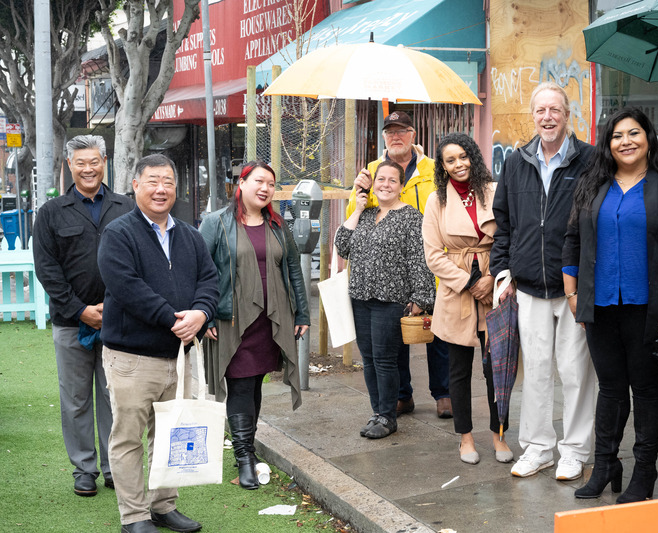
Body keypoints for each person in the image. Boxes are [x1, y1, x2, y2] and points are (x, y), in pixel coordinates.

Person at [562, 108, 658, 503]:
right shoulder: (593, 186)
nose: (625, 141)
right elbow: (572, 240)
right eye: (616, 135)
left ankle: (644, 472)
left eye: (634, 133)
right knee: (609, 389)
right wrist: (573, 295)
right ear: (607, 144)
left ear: (649, 138)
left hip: (651, 308)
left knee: (645, 389)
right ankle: (606, 465)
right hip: (600, 304)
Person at [98, 154, 219, 533]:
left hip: (179, 357)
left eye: (167, 181)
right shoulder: (118, 234)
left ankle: (164, 506)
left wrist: (200, 313)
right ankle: (134, 516)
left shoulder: (190, 234)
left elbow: (210, 280)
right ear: (135, 185)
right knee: (129, 437)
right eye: (152, 181)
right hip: (132, 357)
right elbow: (127, 287)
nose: (161, 189)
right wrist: (174, 320)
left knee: (173, 433)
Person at [489, 82, 596, 481]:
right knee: (533, 370)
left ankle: (574, 449)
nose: (547, 117)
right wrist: (503, 272)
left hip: (573, 287)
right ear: (532, 116)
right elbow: (505, 223)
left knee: (574, 371)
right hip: (528, 284)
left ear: (568, 115)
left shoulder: (590, 159)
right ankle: (538, 447)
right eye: (540, 111)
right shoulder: (517, 161)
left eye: (555, 110)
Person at [33, 135, 134, 497]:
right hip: (70, 323)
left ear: (104, 162)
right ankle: (84, 469)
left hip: (120, 321)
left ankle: (113, 467)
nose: (88, 168)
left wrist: (113, 306)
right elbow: (47, 269)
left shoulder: (127, 207)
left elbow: (136, 262)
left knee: (115, 396)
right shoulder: (51, 213)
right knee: (75, 399)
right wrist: (80, 310)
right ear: (69, 165)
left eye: (94, 161)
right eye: (80, 162)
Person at [199, 161, 310, 490]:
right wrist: (203, 313)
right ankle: (245, 458)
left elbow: (293, 271)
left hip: (269, 319)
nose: (265, 188)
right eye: (259, 181)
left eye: (271, 184)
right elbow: (200, 271)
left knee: (255, 383)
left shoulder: (277, 225)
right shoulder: (216, 223)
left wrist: (302, 314)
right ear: (241, 183)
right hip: (231, 319)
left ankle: (246, 449)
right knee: (241, 385)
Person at [347, 111, 452, 419]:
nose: (395, 137)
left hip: (432, 263)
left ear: (413, 134)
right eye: (389, 132)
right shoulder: (372, 170)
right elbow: (357, 217)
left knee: (438, 331)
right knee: (393, 338)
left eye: (401, 131)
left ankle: (443, 393)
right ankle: (402, 395)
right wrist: (360, 192)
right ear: (383, 138)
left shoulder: (434, 170)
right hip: (390, 273)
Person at [422, 132, 513, 465]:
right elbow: (433, 255)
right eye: (450, 160)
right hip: (456, 290)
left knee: (497, 369)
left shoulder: (493, 191)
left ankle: (498, 435)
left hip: (495, 284)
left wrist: (492, 278)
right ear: (443, 167)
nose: (458, 164)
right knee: (458, 370)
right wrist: (468, 282)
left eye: (463, 156)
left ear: (473, 157)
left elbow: (510, 238)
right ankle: (465, 438)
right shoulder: (437, 200)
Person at [336, 160, 436, 439]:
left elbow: (421, 260)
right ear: (373, 184)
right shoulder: (365, 215)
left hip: (392, 301)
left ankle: (388, 416)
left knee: (384, 359)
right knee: (368, 359)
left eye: (392, 180)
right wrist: (357, 207)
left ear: (401, 187)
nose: (386, 185)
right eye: (381, 179)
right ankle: (377, 412)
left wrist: (421, 298)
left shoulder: (412, 218)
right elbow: (342, 246)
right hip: (360, 297)